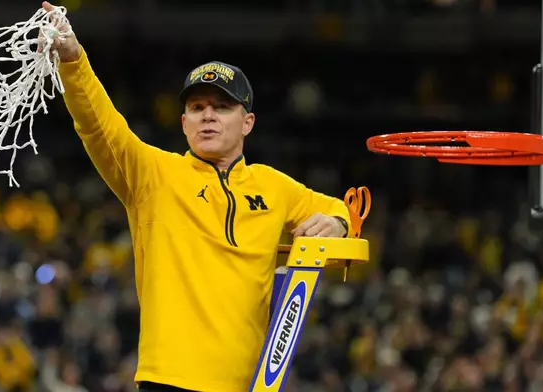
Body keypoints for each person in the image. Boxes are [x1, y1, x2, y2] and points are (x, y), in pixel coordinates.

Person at [42, 2, 352, 391]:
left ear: (248, 123)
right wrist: (73, 61)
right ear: (184, 122)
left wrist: (338, 222)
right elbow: (98, 124)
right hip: (167, 380)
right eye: (197, 107)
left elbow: (337, 210)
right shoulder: (153, 175)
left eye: (222, 107)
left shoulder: (274, 186)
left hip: (248, 385)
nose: (208, 115)